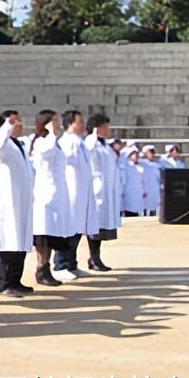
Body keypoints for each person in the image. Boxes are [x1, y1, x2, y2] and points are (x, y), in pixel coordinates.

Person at [0, 111, 34, 297]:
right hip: (8, 202)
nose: (19, 124)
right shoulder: (1, 145)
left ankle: (16, 280)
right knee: (7, 243)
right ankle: (3, 284)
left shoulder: (19, 144)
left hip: (22, 200)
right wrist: (7, 126)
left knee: (20, 243)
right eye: (15, 121)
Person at [53, 110, 96, 281]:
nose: (83, 125)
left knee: (77, 230)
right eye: (79, 122)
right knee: (67, 230)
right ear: (70, 124)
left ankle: (72, 264)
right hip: (71, 192)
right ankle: (60, 264)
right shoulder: (66, 142)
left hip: (81, 193)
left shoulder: (79, 142)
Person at [30, 110, 71, 287]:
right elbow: (46, 152)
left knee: (52, 235)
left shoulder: (55, 143)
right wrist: (51, 133)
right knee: (43, 235)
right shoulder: (41, 142)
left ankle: (47, 267)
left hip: (57, 194)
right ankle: (41, 268)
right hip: (44, 195)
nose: (58, 124)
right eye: (54, 120)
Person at [84, 113, 119, 272]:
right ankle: (93, 258)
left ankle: (95, 257)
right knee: (94, 225)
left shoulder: (105, 145)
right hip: (95, 188)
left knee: (101, 227)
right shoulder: (91, 143)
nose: (107, 129)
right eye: (105, 126)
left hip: (106, 189)